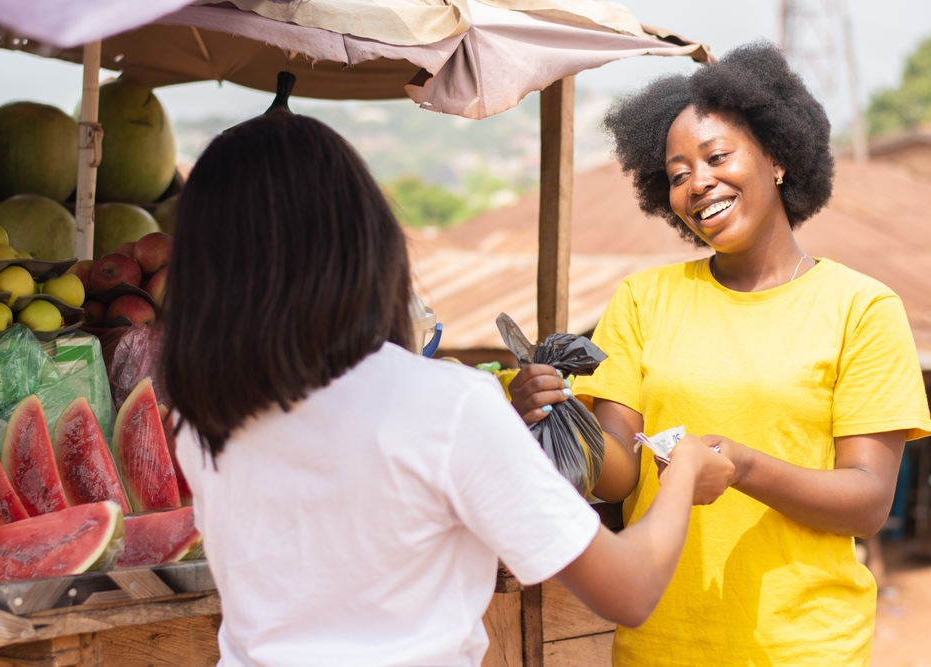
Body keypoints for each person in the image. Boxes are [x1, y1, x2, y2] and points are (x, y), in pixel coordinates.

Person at [159, 112, 732, 667]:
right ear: (362, 241)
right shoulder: (444, 404)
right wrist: (680, 472)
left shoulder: (199, 414)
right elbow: (628, 591)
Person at [510, 41, 931, 666]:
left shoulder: (861, 309)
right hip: (661, 645)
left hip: (803, 648)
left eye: (716, 156)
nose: (698, 183)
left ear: (779, 156)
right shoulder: (644, 299)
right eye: (678, 175)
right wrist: (554, 418)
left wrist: (746, 468)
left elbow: (869, 502)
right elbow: (621, 474)